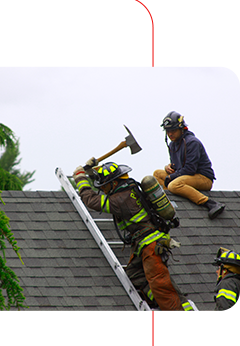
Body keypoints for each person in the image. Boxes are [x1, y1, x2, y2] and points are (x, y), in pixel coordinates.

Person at [73, 161, 192, 311]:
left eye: (105, 185)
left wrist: (80, 179)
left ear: (114, 182)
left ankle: (181, 321)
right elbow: (103, 179)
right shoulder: (129, 189)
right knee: (134, 275)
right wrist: (90, 170)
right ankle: (163, 304)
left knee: (161, 286)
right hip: (144, 244)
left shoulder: (120, 200)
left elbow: (91, 200)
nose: (102, 189)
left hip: (150, 246)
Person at [153, 111, 224, 219]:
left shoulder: (192, 142)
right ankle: (172, 203)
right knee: (157, 174)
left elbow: (190, 169)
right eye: (168, 131)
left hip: (203, 178)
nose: (170, 134)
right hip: (185, 176)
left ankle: (210, 203)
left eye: (173, 130)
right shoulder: (173, 144)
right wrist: (169, 167)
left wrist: (171, 177)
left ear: (182, 129)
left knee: (174, 185)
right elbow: (178, 166)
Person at [212, 248, 239, 313]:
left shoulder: (228, 284)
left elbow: (224, 313)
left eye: (219, 268)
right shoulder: (237, 283)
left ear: (224, 271)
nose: (217, 271)